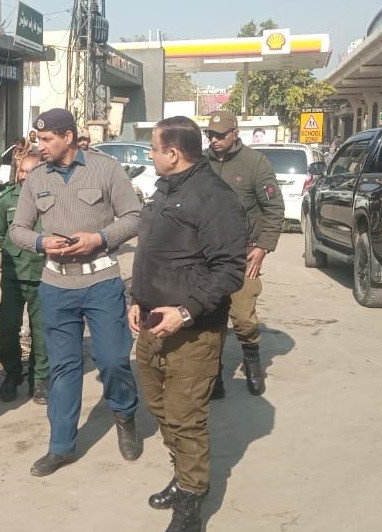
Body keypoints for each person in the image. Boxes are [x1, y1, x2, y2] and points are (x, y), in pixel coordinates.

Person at [9, 108, 142, 477]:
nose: (40, 145)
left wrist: (99, 238)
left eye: (46, 139)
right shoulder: (36, 178)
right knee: (64, 367)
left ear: (68, 137)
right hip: (56, 286)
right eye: (38, 139)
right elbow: (17, 229)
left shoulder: (105, 169)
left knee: (112, 359)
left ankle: (125, 415)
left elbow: (135, 216)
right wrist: (41, 242)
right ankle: (61, 446)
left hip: (101, 281)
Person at [129, 116, 247, 532]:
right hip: (151, 323)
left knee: (186, 417)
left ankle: (192, 501)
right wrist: (136, 298)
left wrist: (184, 312)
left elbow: (229, 269)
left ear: (173, 153)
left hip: (192, 332)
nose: (150, 155)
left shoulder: (214, 197)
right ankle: (183, 477)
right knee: (161, 408)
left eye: (153, 148)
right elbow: (152, 253)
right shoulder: (165, 189)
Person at [204, 109, 284, 398]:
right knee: (210, 317)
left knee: (242, 317)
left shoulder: (255, 163)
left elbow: (274, 209)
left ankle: (252, 361)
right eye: (210, 135)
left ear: (235, 133)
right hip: (207, 255)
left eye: (220, 135)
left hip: (243, 254)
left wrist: (263, 247)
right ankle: (214, 374)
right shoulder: (200, 163)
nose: (214, 140)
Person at [0, 152, 49, 404]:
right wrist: (15, 251)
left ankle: (39, 380)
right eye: (22, 171)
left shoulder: (52, 198)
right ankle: (12, 373)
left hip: (43, 274)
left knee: (42, 332)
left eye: (30, 171)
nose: (25, 176)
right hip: (13, 274)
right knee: (6, 328)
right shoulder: (6, 199)